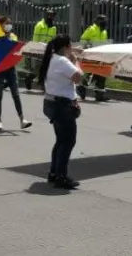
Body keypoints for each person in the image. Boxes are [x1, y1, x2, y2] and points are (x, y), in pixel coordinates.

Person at [38, 34, 82, 190]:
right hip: (62, 106)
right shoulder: (63, 61)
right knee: (68, 141)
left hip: (52, 103)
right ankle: (61, 176)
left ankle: (54, 172)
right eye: (71, 45)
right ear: (66, 47)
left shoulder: (52, 58)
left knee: (60, 140)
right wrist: (76, 62)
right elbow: (78, 77)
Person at [0, 16, 31, 130]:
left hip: (11, 69)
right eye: (6, 23)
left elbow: (17, 51)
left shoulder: (14, 36)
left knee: (16, 94)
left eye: (10, 23)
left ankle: (22, 119)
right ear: (1, 25)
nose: (8, 25)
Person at [77, 14, 110, 102]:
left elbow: (105, 43)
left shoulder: (104, 32)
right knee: (90, 73)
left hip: (100, 56)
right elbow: (83, 39)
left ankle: (99, 95)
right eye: (102, 20)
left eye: (105, 21)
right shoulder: (91, 29)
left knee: (101, 73)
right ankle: (81, 87)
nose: (104, 22)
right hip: (91, 55)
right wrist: (89, 46)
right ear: (97, 21)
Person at [24, 10, 57, 90]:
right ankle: (29, 78)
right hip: (39, 49)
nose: (50, 17)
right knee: (38, 68)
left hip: (48, 50)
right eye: (48, 15)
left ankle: (43, 85)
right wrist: (36, 49)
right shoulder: (39, 25)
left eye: (52, 15)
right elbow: (35, 39)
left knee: (47, 68)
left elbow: (53, 40)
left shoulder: (53, 27)